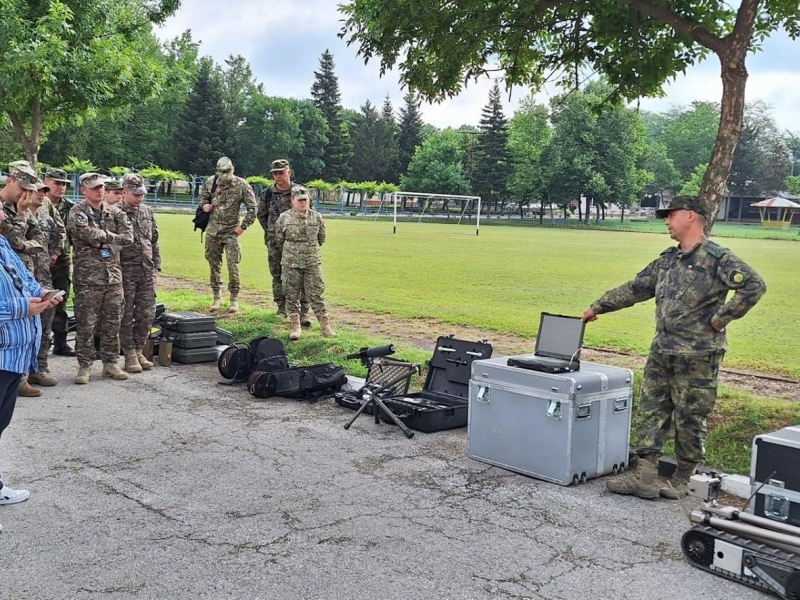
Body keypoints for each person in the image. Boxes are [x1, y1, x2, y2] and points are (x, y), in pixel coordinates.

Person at [581, 196, 766, 500]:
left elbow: (754, 285)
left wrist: (721, 318)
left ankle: (683, 479)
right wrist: (599, 306)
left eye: (671, 215)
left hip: (698, 355)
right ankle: (645, 476)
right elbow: (636, 288)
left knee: (691, 416)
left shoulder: (717, 258)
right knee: (651, 410)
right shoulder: (668, 259)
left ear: (691, 216)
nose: (666, 220)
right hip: (662, 350)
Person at [0, 202, 63, 511]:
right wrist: (23, 307)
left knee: (1, 422)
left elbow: (24, 279)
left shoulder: (1, 243)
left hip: (13, 355)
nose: (2, 214)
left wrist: (41, 293)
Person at [66, 173, 133, 384]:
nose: (100, 191)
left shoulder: (115, 212)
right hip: (87, 278)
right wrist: (112, 238)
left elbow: (128, 237)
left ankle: (110, 363)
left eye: (102, 187)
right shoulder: (77, 212)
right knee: (86, 324)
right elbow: (84, 233)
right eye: (94, 187)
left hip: (113, 278)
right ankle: (84, 366)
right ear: (84, 190)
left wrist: (102, 239)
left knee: (112, 323)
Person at [1, 167, 47, 397]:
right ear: (10, 181)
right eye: (23, 188)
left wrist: (25, 244)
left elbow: (40, 239)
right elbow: (16, 242)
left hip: (23, 274)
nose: (26, 194)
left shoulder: (26, 208)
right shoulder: (9, 208)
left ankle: (29, 371)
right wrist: (20, 213)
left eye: (31, 189)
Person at [274, 185, 336, 340]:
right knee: (291, 295)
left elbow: (321, 238)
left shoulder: (317, 217)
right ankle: (295, 326)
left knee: (316, 294)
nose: (303, 203)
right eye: (299, 201)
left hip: (311, 263)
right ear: (292, 201)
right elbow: (279, 240)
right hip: (290, 263)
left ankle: (325, 327)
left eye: (305, 200)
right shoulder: (284, 218)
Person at [199, 156, 256, 313]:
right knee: (214, 265)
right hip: (212, 231)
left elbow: (253, 208)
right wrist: (205, 206)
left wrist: (242, 226)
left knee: (233, 266)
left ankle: (234, 299)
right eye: (222, 173)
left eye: (228, 172)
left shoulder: (242, 185)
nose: (225, 176)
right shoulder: (211, 182)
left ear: (233, 169)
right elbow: (202, 198)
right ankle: (217, 297)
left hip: (231, 231)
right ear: (217, 172)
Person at [257, 159, 311, 323]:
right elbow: (261, 215)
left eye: (281, 172)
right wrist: (273, 231)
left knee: (301, 274)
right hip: (275, 242)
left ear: (289, 172)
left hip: (298, 242)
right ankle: (282, 308)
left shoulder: (299, 191)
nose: (278, 176)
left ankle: (304, 311)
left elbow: (310, 213)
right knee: (277, 274)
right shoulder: (267, 193)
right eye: (275, 173)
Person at [118, 173, 161, 373]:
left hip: (146, 270)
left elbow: (153, 240)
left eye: (142, 194)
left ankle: (138, 348)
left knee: (146, 313)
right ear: (124, 192)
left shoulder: (147, 211)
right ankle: (129, 353)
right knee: (126, 314)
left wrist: (156, 265)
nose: (139, 198)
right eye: (135, 194)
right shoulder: (114, 213)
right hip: (124, 270)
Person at [25, 182, 64, 388]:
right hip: (22, 280)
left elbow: (59, 235)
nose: (41, 195)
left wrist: (55, 253)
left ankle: (40, 367)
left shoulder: (46, 217)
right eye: (37, 191)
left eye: (43, 192)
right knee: (23, 328)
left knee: (44, 326)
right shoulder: (14, 216)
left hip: (44, 277)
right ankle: (20, 373)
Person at [43, 167, 76, 357]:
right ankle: (42, 343)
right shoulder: (38, 203)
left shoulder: (71, 208)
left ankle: (61, 342)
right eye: (57, 183)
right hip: (39, 259)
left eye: (64, 184)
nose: (61, 187)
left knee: (60, 300)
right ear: (46, 181)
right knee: (41, 301)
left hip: (62, 260)